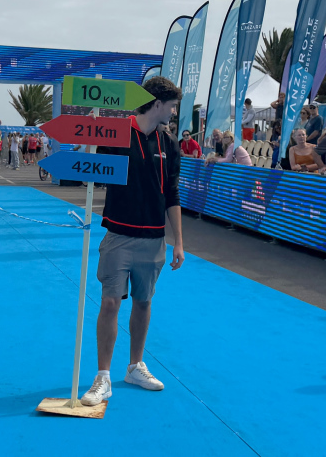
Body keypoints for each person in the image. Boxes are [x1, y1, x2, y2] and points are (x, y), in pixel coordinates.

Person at [80, 76, 184, 407]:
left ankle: (135, 367)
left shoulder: (170, 143)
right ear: (158, 104)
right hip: (118, 235)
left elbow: (172, 194)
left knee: (143, 302)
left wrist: (179, 242)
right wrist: (90, 133)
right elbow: (91, 168)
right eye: (172, 106)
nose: (174, 112)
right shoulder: (116, 133)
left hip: (154, 239)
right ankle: (103, 377)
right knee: (110, 302)